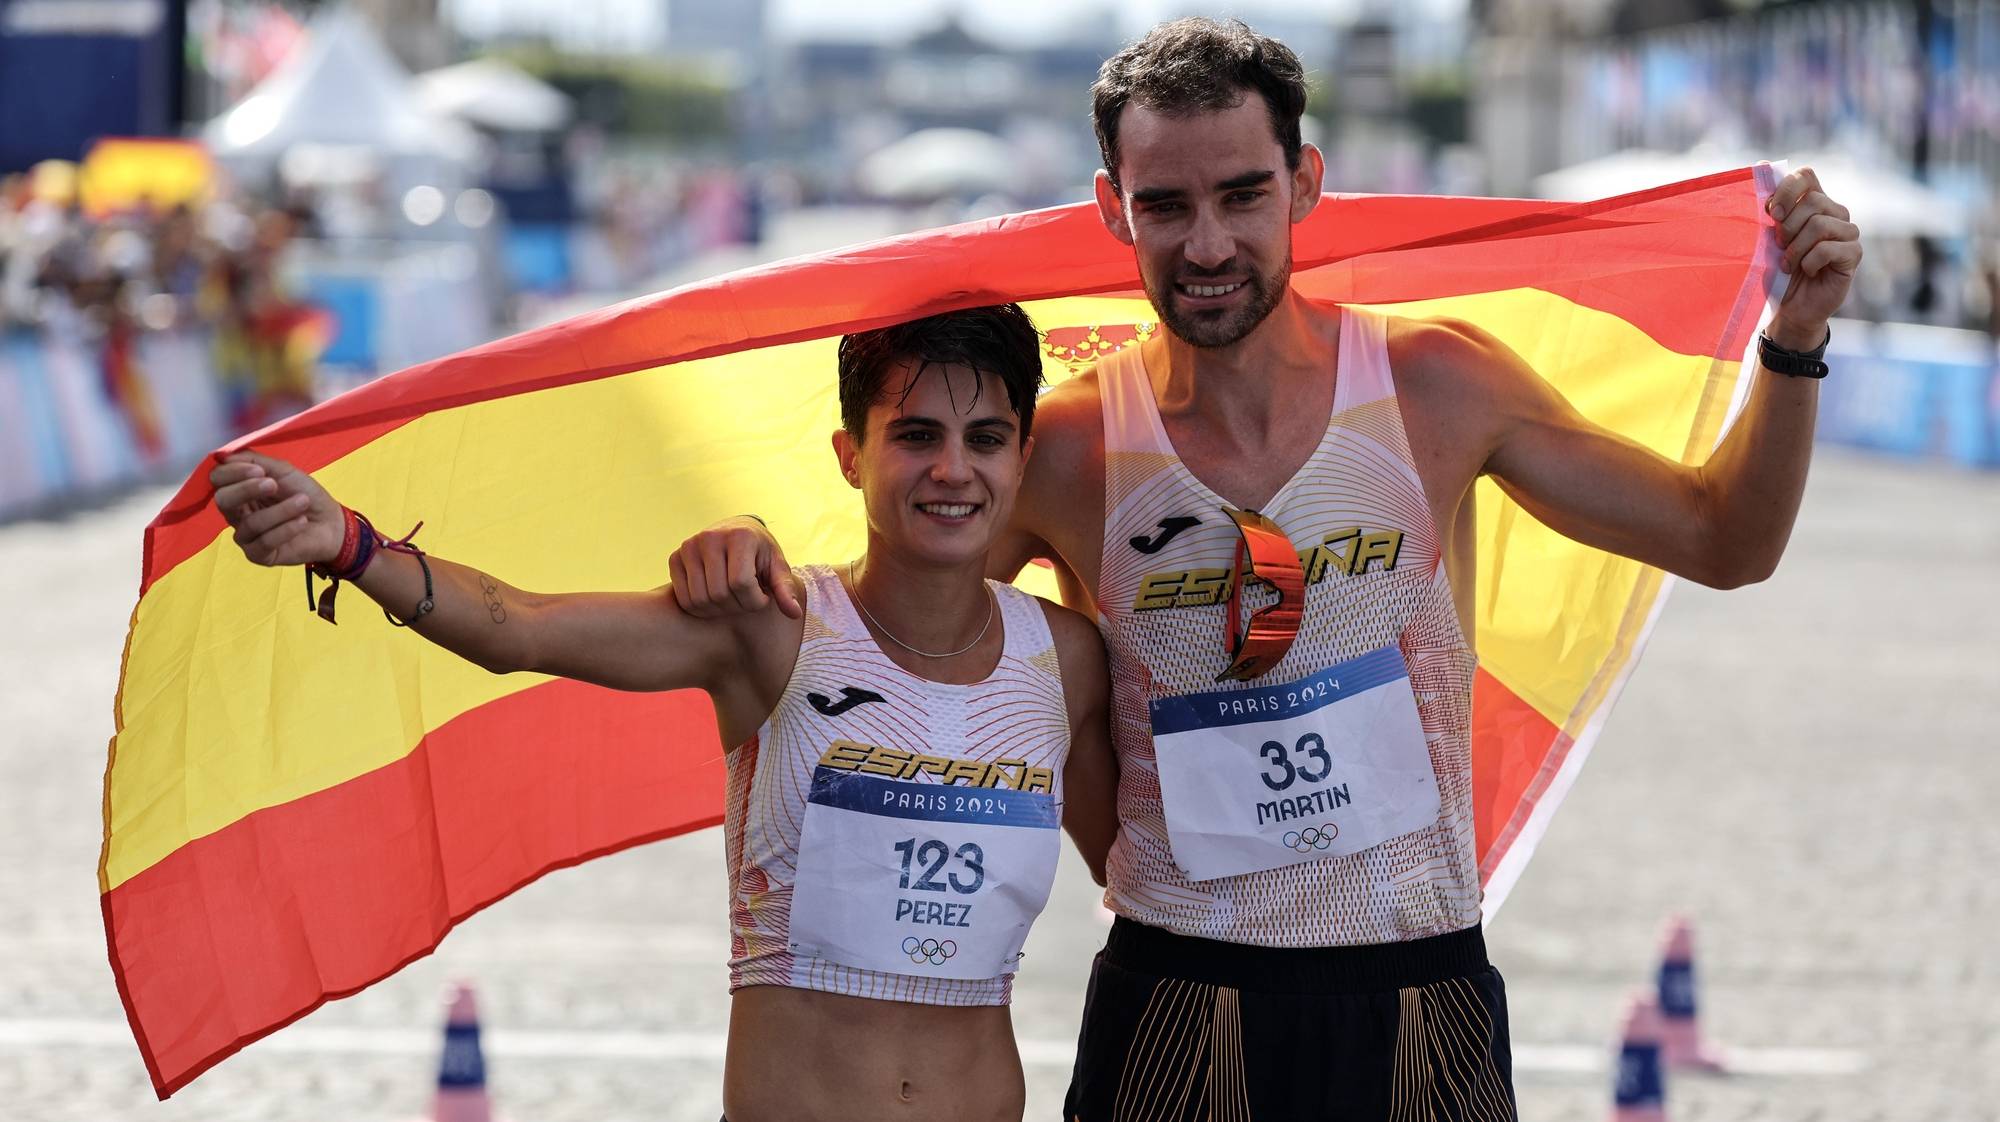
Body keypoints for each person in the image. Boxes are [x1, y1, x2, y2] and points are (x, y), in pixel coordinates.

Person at [666, 19, 1861, 1118]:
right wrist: (751, 561)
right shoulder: (1070, 451)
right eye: (1165, 204)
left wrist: (1793, 343)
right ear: (1111, 210)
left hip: (1417, 989)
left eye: (1242, 194)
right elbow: (890, 624)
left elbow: (1724, 542)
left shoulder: (1437, 386)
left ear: (1304, 183)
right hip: (1180, 998)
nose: (1208, 243)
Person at [210, 304, 1118, 1122]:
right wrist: (352, 546)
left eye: (986, 437)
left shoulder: (1067, 660)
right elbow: (522, 628)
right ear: (851, 455)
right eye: (916, 435)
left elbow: (1139, 870)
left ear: (1023, 455)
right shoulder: (773, 629)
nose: (953, 469)